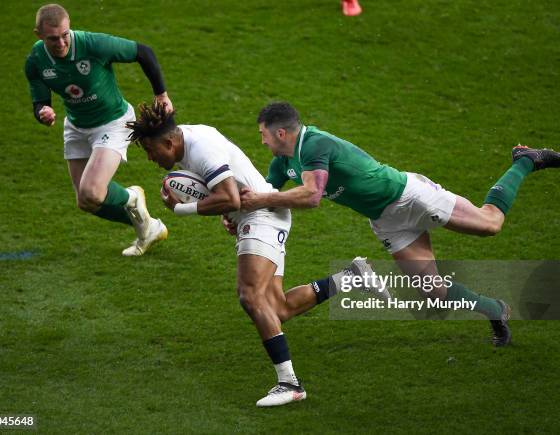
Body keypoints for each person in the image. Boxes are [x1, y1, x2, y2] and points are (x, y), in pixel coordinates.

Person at [240, 102, 560, 346]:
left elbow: (312, 196)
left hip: (410, 197)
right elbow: (264, 194)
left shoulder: (314, 144)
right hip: (387, 221)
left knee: (491, 223)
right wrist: (242, 214)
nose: (263, 142)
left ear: (280, 132)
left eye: (263, 135)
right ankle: (495, 310)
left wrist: (262, 201)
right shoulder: (282, 162)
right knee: (433, 292)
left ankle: (525, 160)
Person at [126, 102, 381, 407]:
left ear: (169, 142)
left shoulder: (201, 147)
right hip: (257, 214)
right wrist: (229, 212)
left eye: (152, 151)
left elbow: (230, 196)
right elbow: (227, 194)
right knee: (279, 308)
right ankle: (353, 276)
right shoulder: (188, 141)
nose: (152, 158)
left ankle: (290, 383)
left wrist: (182, 209)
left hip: (262, 216)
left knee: (249, 295)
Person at [24, 4, 170, 256]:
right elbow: (40, 101)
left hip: (113, 122)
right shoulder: (35, 61)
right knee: (87, 202)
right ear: (38, 34)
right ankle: (147, 226)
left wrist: (161, 95)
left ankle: (132, 197)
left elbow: (144, 52)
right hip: (76, 126)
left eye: (65, 35)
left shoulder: (92, 44)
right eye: (52, 38)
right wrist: (43, 113)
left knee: (92, 190)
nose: (61, 42)